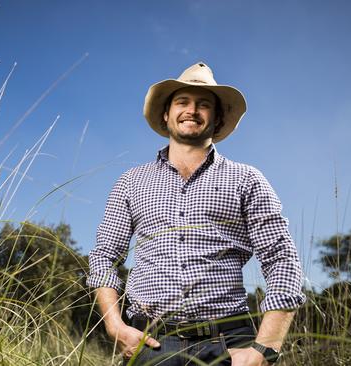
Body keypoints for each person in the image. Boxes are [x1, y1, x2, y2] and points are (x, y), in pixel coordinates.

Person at [87, 62, 306, 365]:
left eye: (203, 104)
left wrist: (265, 349)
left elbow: (281, 259)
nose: (192, 110)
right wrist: (115, 326)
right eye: (182, 102)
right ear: (167, 114)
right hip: (150, 345)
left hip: (229, 344)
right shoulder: (131, 181)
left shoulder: (247, 179)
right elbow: (104, 256)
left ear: (217, 119)